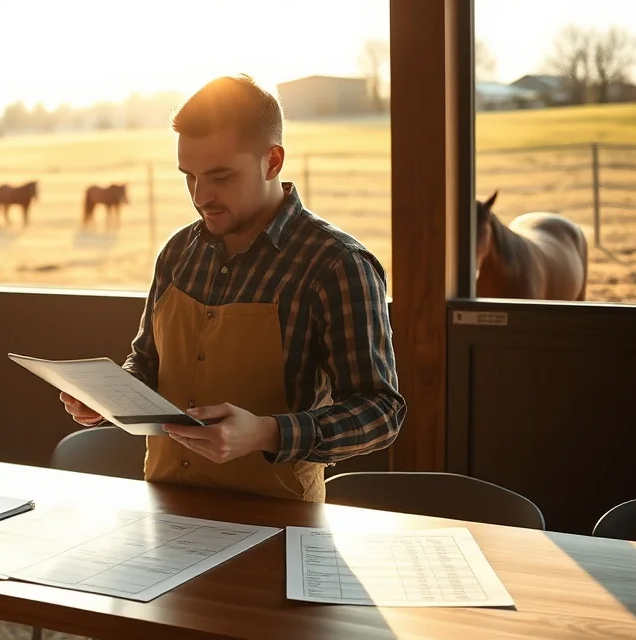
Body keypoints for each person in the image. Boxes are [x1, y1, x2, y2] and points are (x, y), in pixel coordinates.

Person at [59, 74, 405, 502]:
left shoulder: (337, 265)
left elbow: (380, 413)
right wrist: (108, 399)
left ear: (273, 161)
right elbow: (147, 362)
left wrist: (266, 432)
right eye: (189, 176)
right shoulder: (176, 252)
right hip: (164, 508)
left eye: (221, 176)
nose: (201, 196)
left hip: (280, 520)